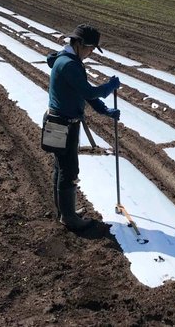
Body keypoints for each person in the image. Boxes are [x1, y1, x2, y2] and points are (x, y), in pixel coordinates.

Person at [46, 24, 120, 230]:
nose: (91, 52)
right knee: (68, 171)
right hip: (63, 124)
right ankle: (68, 218)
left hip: (59, 121)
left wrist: (104, 110)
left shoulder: (68, 61)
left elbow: (81, 92)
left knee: (61, 168)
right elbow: (89, 92)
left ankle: (65, 211)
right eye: (90, 48)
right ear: (78, 44)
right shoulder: (69, 65)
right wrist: (109, 87)